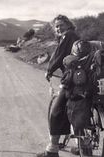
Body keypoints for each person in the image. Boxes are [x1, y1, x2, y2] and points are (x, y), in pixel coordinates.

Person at [37, 15, 79, 157]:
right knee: (78, 108)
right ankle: (83, 146)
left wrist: (49, 71)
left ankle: (52, 149)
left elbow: (59, 55)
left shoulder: (67, 36)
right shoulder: (75, 35)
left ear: (68, 24)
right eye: (56, 26)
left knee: (56, 111)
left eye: (61, 25)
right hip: (82, 78)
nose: (59, 28)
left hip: (72, 79)